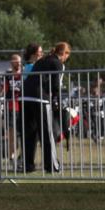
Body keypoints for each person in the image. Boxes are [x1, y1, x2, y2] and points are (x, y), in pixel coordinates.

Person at [22, 41, 70, 173]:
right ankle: (52, 165)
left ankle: (28, 165)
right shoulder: (57, 63)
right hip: (40, 98)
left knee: (29, 134)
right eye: (67, 56)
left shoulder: (42, 60)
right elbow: (56, 86)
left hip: (25, 96)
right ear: (64, 54)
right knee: (47, 134)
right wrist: (58, 102)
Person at [2, 53, 23, 167]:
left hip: (22, 106)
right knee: (12, 134)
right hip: (10, 107)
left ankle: (22, 157)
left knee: (23, 133)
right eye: (15, 61)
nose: (18, 63)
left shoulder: (24, 74)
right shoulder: (8, 75)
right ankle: (12, 157)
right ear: (11, 63)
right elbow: (3, 90)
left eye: (19, 61)